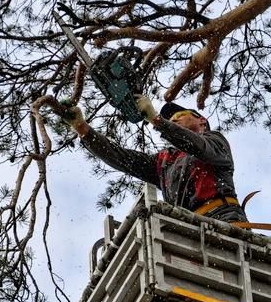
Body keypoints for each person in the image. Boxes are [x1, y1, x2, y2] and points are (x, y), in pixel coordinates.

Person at [52, 95, 248, 223]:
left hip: (224, 219)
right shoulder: (164, 162)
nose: (174, 120)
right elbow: (121, 157)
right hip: (188, 227)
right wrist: (82, 129)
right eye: (170, 121)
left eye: (179, 115)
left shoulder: (215, 142)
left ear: (201, 120)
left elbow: (198, 146)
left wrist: (157, 121)